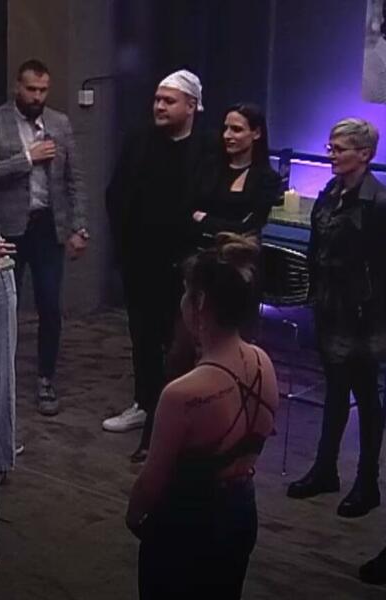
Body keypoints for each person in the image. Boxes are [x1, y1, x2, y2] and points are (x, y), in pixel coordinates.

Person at [126, 233, 279, 599]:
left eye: (185, 292)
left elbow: (152, 480)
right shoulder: (264, 363)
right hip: (241, 512)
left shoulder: (183, 394)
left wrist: (133, 515)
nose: (180, 301)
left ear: (201, 303)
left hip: (189, 521)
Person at [104, 69, 211, 462]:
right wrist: (125, 243)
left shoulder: (207, 149)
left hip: (184, 265)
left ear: (191, 106)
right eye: (157, 100)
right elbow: (116, 193)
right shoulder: (139, 141)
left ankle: (179, 414)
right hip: (140, 260)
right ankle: (144, 404)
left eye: (169, 101)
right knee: (143, 337)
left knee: (181, 342)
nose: (159, 107)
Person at [0, 58, 89, 417]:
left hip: (48, 227)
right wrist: (26, 158)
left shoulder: (60, 123)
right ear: (17, 87)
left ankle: (45, 378)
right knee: (2, 306)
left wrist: (79, 227)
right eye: (31, 89)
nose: (37, 96)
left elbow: (74, 178)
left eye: (43, 90)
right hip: (8, 229)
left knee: (50, 306)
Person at [287, 118, 386, 520]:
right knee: (335, 389)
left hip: (364, 312)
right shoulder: (330, 192)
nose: (331, 155)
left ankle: (367, 481)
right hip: (330, 305)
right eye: (330, 147)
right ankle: (325, 468)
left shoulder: (378, 203)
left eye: (339, 149)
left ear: (364, 154)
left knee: (366, 394)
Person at [192, 103, 281, 242]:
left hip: (239, 251)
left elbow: (248, 228)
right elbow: (189, 212)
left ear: (256, 133)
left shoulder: (267, 179)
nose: (227, 135)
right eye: (225, 128)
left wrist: (204, 219)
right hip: (200, 247)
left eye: (236, 129)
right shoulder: (208, 167)